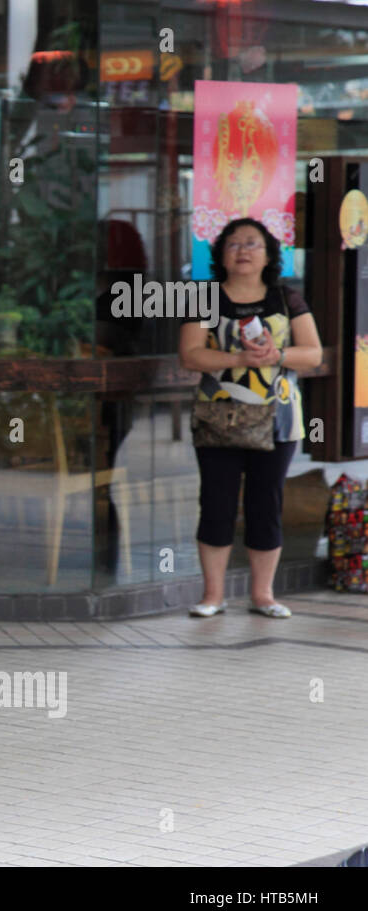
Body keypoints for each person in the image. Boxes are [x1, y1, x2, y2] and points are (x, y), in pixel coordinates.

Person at [178, 217, 322, 619]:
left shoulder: (286, 298)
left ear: (269, 254)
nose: (243, 250)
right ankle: (213, 596)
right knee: (216, 503)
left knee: (266, 504)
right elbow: (190, 355)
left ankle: (264, 595)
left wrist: (276, 355)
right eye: (234, 244)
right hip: (217, 418)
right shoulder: (203, 297)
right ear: (221, 254)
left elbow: (313, 353)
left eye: (252, 244)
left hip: (277, 418)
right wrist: (238, 359)